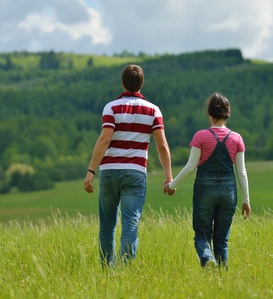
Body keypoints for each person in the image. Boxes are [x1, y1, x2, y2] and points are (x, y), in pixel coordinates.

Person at [84, 64, 173, 266]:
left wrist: (91, 170)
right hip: (135, 173)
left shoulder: (111, 107)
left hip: (108, 173)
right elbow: (162, 145)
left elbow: (105, 139)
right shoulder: (153, 110)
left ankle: (108, 271)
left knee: (107, 227)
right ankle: (125, 272)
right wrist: (168, 177)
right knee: (130, 225)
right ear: (142, 84)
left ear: (122, 83)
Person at [164, 92, 250, 270]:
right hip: (229, 190)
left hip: (205, 189)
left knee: (202, 235)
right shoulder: (237, 138)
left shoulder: (201, 136)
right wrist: (246, 200)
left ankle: (207, 257)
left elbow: (190, 167)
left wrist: (172, 185)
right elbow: (241, 172)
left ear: (210, 114)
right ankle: (221, 280)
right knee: (222, 240)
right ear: (228, 113)